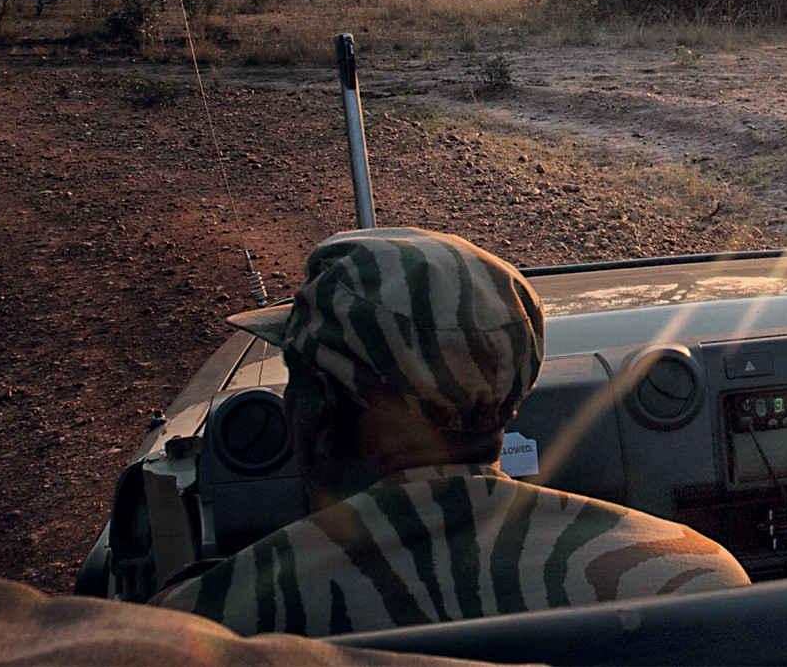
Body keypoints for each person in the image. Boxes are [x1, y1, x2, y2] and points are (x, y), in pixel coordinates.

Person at [153, 228, 748, 636]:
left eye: (297, 380)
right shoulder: (694, 581)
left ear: (322, 411)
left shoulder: (204, 622)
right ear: (511, 402)